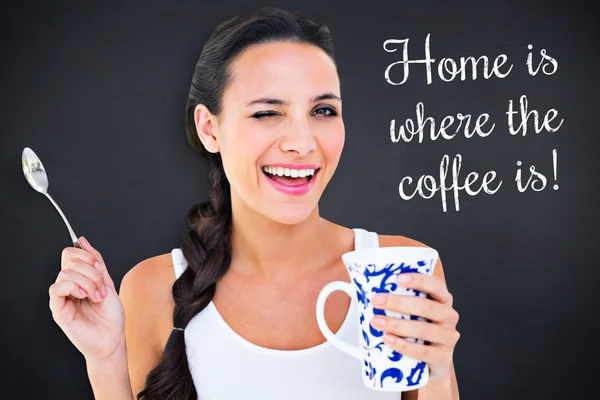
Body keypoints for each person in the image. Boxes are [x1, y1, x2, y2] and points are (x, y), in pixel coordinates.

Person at [48, 6, 460, 400]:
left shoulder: (403, 270)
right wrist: (104, 362)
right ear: (210, 129)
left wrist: (437, 374)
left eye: (323, 110)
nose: (302, 143)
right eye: (266, 113)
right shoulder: (153, 289)